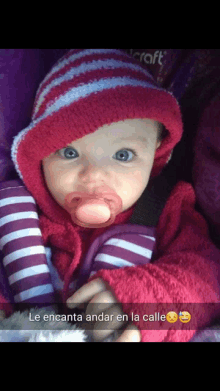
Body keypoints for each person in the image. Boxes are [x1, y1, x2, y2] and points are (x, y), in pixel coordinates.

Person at [1, 48, 220, 342]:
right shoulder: (21, 210)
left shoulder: (166, 208)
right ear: (38, 158)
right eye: (69, 152)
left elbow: (206, 279)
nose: (94, 176)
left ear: (156, 155)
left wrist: (148, 304)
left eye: (123, 154)